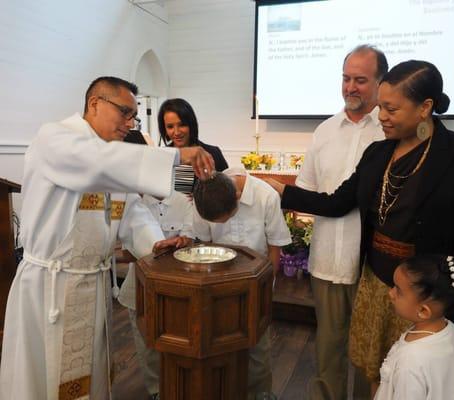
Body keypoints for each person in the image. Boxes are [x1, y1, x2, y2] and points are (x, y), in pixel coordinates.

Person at [266, 60, 454, 395]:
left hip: (425, 293)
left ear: (425, 107)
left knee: (414, 380)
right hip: (377, 284)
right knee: (374, 370)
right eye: (381, 107)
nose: (381, 116)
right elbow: (338, 202)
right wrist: (282, 191)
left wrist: (449, 304)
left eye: (391, 109)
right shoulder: (378, 153)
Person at [0, 76, 214, 400]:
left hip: (93, 286)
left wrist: (154, 243)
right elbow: (93, 163)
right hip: (50, 291)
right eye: (125, 112)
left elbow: (131, 212)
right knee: (43, 382)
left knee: (91, 377)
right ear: (95, 103)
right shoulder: (56, 138)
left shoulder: (109, 158)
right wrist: (174, 156)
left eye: (134, 117)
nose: (130, 123)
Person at [118, 97, 229, 400]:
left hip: (191, 246)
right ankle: (158, 388)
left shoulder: (209, 155)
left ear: (191, 122)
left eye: (181, 123)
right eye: (170, 126)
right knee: (141, 314)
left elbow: (215, 204)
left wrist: (191, 234)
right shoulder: (154, 157)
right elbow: (141, 204)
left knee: (188, 325)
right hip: (152, 246)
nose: (176, 130)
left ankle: (195, 385)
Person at [294, 44, 387, 400]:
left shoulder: (389, 132)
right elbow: (308, 192)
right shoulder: (324, 131)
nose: (351, 87)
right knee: (328, 348)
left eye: (361, 80)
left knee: (369, 355)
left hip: (373, 265)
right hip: (327, 260)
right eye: (346, 78)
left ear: (381, 82)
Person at [162, 169, 291, 399]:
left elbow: (274, 247)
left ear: (238, 197)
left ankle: (260, 394)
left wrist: (266, 290)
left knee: (257, 350)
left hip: (255, 285)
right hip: (219, 288)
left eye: (227, 219)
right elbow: (205, 242)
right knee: (219, 345)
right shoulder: (205, 198)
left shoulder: (265, 197)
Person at [375, 249, 454, 400]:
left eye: (398, 290)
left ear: (423, 311)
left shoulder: (410, 362)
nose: (391, 293)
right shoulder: (453, 332)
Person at [158, 98, 228, 171]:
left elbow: (226, 182)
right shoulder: (162, 157)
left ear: (191, 124)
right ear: (164, 129)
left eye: (182, 125)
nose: (177, 132)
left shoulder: (213, 153)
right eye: (170, 127)